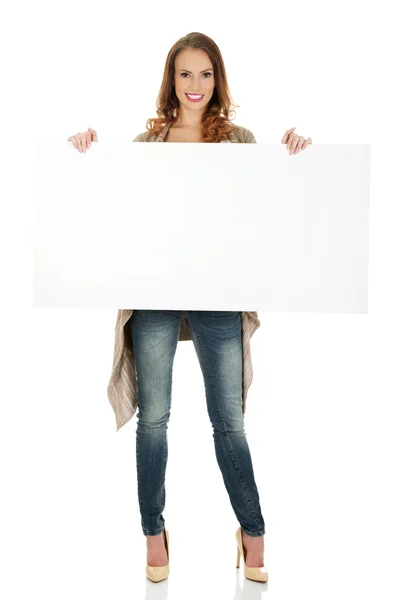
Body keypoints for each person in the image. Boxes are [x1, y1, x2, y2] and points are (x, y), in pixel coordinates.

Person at [67, 31, 311, 584]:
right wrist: (86, 153)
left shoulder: (240, 141)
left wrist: (293, 155)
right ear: (170, 80)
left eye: (205, 74)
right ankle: (154, 533)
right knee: (153, 421)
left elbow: (270, 203)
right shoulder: (147, 143)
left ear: (217, 80)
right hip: (154, 290)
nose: (195, 85)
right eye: (185, 74)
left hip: (216, 292)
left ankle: (252, 530)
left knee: (229, 421)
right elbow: (110, 202)